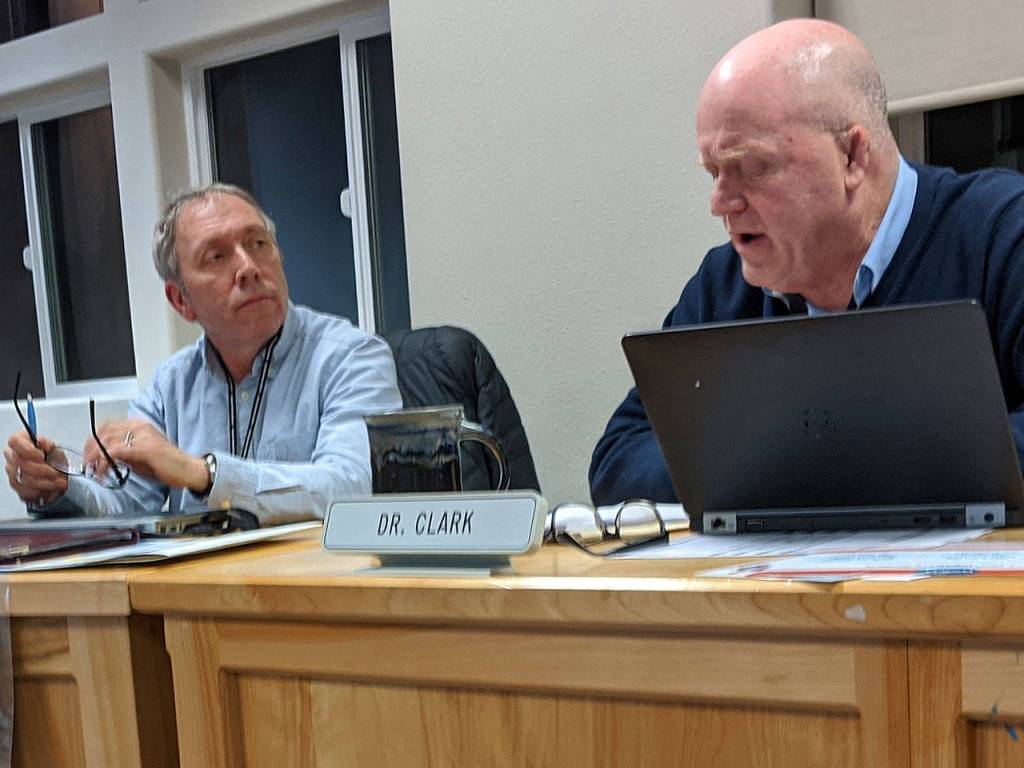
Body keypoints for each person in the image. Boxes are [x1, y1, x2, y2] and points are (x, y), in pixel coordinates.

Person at [590, 19, 1024, 505]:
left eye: (753, 166)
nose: (719, 203)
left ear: (853, 156)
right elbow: (619, 459)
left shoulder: (1004, 234)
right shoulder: (725, 284)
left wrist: (799, 466)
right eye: (714, 173)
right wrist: (809, 471)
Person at [3, 184, 402, 525]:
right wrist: (58, 486)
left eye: (258, 244)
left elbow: (354, 486)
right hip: (200, 588)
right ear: (181, 300)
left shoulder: (351, 357)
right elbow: (125, 504)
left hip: (313, 585)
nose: (248, 267)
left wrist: (202, 473)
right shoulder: (170, 386)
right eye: (217, 256)